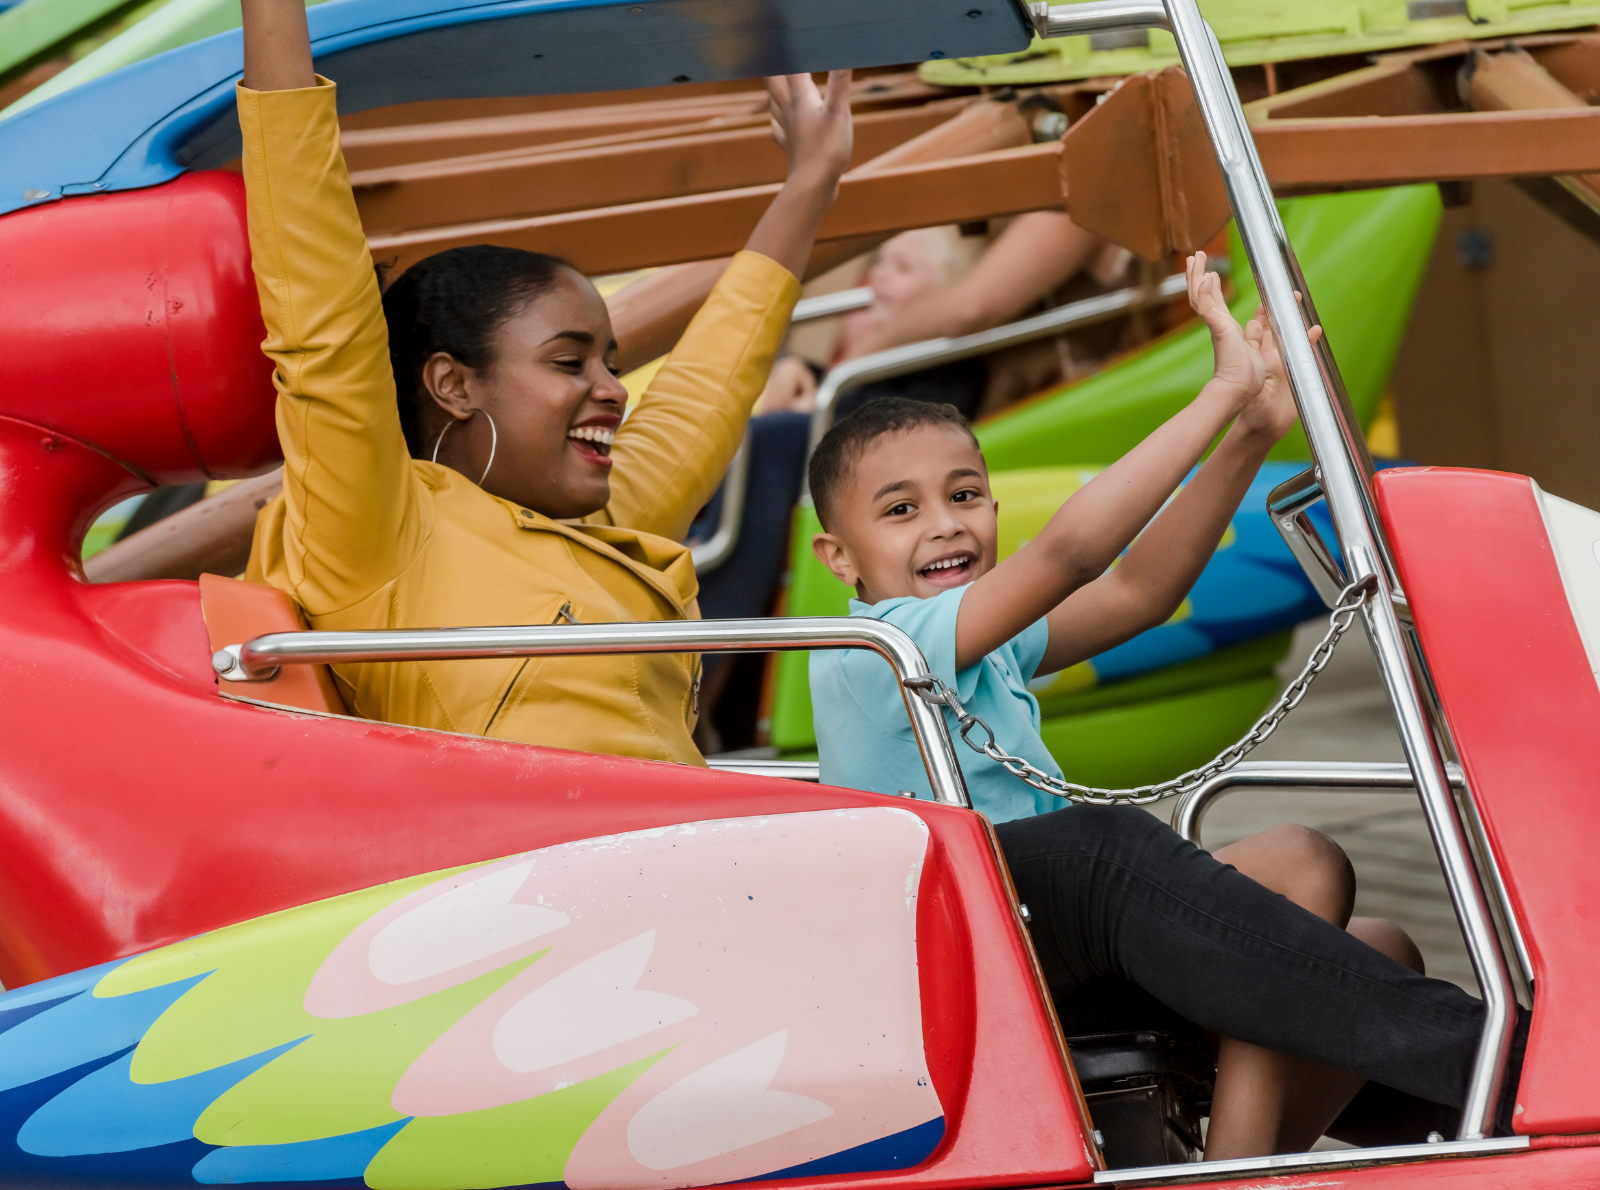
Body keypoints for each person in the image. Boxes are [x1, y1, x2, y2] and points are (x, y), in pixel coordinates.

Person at [804, 255, 1520, 1154]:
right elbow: (1071, 554)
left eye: (965, 496)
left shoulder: (984, 639)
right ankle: (1497, 1069)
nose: (945, 523)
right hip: (963, 935)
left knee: (1370, 936)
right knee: (1201, 855)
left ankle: (1244, 1165)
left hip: (1049, 932)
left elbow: (1140, 590)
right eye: (901, 511)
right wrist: (1218, 394)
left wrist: (1252, 434)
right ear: (841, 558)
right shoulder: (868, 650)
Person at [236, 0, 852, 763]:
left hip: (692, 851)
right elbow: (319, 313)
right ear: (453, 386)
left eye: (612, 364)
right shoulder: (379, 532)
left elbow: (710, 387)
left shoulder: (603, 524)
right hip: (538, 873)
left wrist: (811, 183)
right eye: (569, 363)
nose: (613, 389)